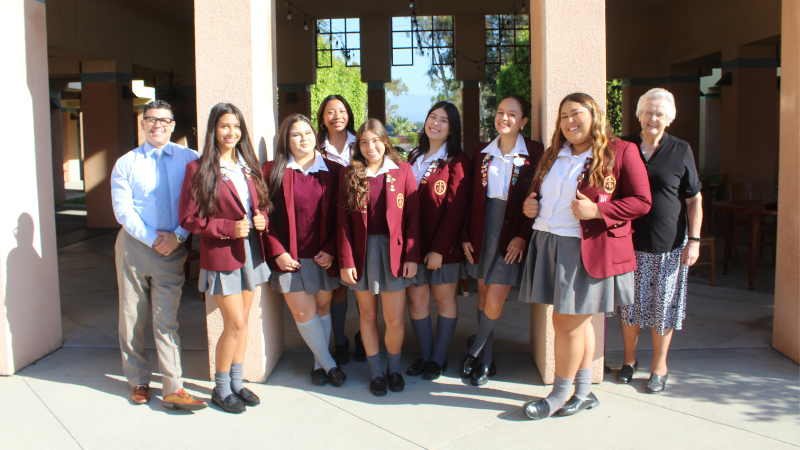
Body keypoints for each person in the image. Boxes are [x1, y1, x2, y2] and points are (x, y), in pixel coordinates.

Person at [519, 93, 651, 420]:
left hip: (586, 249)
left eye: (576, 114)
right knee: (579, 324)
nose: (569, 122)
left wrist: (599, 210)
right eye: (563, 116)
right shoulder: (554, 154)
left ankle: (559, 395)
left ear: (594, 115)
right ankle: (583, 391)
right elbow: (542, 195)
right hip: (550, 243)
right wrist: (529, 206)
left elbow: (642, 201)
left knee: (565, 323)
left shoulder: (621, 151)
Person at [111, 100, 207, 410]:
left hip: (174, 247)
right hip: (135, 247)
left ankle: (173, 386)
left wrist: (179, 236)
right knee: (132, 316)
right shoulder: (126, 163)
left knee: (166, 320)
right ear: (142, 123)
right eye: (151, 119)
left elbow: (199, 202)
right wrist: (154, 239)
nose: (158, 125)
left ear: (173, 125)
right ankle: (138, 379)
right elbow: (124, 211)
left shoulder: (190, 159)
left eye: (164, 120)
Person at [607, 88, 702, 394]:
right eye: (648, 111)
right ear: (638, 114)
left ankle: (660, 366)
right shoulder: (623, 145)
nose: (652, 118)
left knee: (664, 307)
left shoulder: (680, 149)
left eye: (660, 113)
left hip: (669, 245)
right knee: (629, 307)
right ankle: (629, 361)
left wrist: (695, 240)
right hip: (628, 242)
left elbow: (694, 200)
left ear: (669, 119)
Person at [179, 103, 271, 413]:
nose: (231, 132)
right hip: (221, 254)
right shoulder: (199, 167)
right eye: (224, 126)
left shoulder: (248, 165)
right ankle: (220, 389)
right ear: (213, 130)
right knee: (234, 323)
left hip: (250, 252)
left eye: (236, 126)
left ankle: (237, 382)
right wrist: (228, 228)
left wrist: (262, 219)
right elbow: (189, 218)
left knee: (243, 323)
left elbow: (262, 205)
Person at [459, 95, 544, 386]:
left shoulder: (535, 152)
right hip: (483, 230)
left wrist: (522, 235)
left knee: (495, 300)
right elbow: (469, 199)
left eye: (511, 114)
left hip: (511, 233)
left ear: (523, 121)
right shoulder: (481, 152)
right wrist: (465, 235)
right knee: (483, 297)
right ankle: (486, 360)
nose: (503, 118)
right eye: (499, 112)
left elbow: (538, 199)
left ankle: (473, 351)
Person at [263, 114, 347, 387]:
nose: (304, 139)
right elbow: (264, 215)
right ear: (286, 141)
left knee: (323, 308)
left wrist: (333, 248)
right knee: (303, 313)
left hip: (323, 256)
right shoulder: (272, 170)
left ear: (316, 136)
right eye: (296, 135)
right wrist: (277, 251)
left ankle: (318, 365)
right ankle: (331, 364)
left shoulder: (334, 170)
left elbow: (342, 216)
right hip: (290, 258)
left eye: (308, 133)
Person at [337, 119, 420, 396]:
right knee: (368, 315)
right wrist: (347, 261)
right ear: (358, 146)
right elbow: (343, 223)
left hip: (393, 253)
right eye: (363, 142)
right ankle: (375, 373)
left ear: (385, 142)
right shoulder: (350, 173)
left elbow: (412, 218)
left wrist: (411, 255)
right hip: (362, 253)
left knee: (394, 319)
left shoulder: (403, 171)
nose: (370, 147)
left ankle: (393, 368)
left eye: (375, 140)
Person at [405, 102, 471, 380]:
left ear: (452, 129)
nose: (436, 123)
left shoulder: (457, 161)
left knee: (443, 300)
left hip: (443, 247)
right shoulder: (413, 156)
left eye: (444, 120)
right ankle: (426, 355)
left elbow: (456, 210)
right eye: (432, 117)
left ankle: (439, 358)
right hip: (412, 245)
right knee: (417, 300)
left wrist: (439, 250)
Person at [316, 95, 365, 364]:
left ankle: (362, 336)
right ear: (322, 117)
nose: (336, 116)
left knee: (363, 285)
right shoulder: (314, 148)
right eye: (330, 111)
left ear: (349, 114)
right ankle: (340, 340)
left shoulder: (362, 142)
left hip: (360, 220)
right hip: (328, 219)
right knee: (338, 287)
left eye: (342, 111)